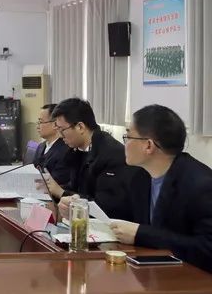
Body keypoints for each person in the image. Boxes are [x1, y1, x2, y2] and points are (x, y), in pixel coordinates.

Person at [109, 105, 212, 273]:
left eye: (128, 137)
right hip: (152, 272)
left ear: (148, 146)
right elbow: (121, 213)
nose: (124, 144)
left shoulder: (201, 185)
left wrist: (142, 234)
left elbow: (207, 249)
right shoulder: (139, 177)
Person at [42, 98, 143, 221]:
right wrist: (52, 189)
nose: (60, 135)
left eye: (62, 130)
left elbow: (105, 206)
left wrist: (61, 192)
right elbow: (75, 187)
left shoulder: (110, 154)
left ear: (80, 127)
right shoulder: (76, 150)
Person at [33, 104, 72, 186]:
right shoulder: (40, 147)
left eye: (40, 122)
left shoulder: (66, 150)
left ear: (55, 124)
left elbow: (58, 180)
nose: (37, 126)